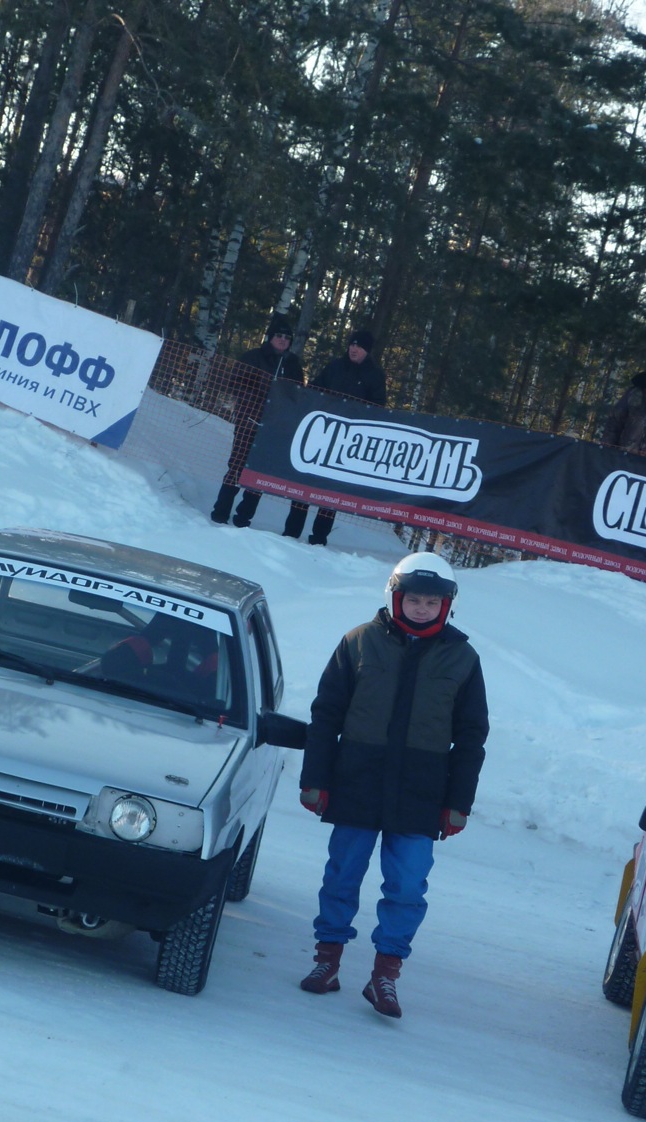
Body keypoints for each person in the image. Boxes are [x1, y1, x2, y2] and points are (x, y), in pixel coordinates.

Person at [297, 551, 489, 1019]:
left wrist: (458, 802)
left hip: (421, 794)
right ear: (394, 597)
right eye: (414, 600)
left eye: (431, 602)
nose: (421, 609)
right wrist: (315, 779)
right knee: (342, 874)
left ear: (447, 607)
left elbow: (471, 737)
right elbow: (326, 716)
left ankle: (385, 975)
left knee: (406, 886)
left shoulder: (463, 659)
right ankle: (328, 961)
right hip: (356, 783)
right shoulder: (358, 643)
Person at [284, 329, 388, 546]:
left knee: (330, 492)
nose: (354, 349)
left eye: (359, 346)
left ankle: (319, 538)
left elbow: (378, 409)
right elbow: (314, 389)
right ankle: (291, 532)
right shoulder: (335, 367)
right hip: (321, 434)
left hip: (347, 442)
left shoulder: (375, 376)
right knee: (306, 483)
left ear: (367, 351)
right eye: (352, 344)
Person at [210, 313, 305, 529]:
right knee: (237, 467)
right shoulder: (253, 357)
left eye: (287, 337)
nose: (282, 340)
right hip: (249, 420)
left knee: (260, 473)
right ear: (270, 337)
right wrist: (258, 394)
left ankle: (243, 518)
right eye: (279, 336)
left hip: (274, 428)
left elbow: (298, 395)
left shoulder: (292, 365)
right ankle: (220, 513)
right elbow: (235, 383)